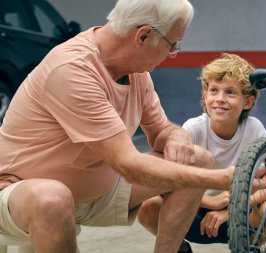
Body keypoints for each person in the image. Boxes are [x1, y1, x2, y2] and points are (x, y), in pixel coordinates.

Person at [0, 1, 234, 253]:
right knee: (52, 198)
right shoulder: (72, 69)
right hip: (19, 190)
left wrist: (176, 135)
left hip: (96, 188)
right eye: (173, 44)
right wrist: (222, 179)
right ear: (144, 35)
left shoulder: (136, 72)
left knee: (195, 159)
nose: (172, 53)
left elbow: (161, 130)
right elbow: (128, 165)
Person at [138, 53, 266, 252]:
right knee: (148, 205)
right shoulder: (193, 129)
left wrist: (230, 209)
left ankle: (249, 247)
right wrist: (208, 201)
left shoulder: (254, 129)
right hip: (193, 213)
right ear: (205, 95)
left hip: (240, 215)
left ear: (248, 102)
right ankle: (178, 247)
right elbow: (167, 182)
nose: (220, 99)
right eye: (214, 90)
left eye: (230, 92)